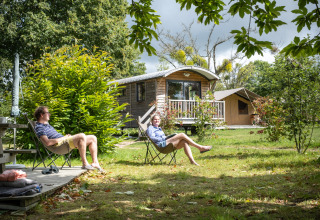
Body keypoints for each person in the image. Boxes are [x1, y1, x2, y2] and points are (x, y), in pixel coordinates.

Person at [34, 106, 103, 171]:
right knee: (81, 136)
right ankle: (84, 163)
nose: (49, 114)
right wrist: (64, 137)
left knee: (93, 138)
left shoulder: (46, 125)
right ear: (41, 115)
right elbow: (48, 142)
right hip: (59, 146)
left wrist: (66, 137)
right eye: (47, 113)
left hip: (64, 142)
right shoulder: (40, 127)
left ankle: (95, 163)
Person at [146, 114, 212, 166]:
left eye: (158, 119)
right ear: (152, 121)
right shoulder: (150, 128)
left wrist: (168, 137)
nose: (157, 121)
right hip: (161, 145)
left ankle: (192, 161)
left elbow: (163, 137)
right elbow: (152, 138)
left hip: (166, 142)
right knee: (182, 135)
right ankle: (200, 147)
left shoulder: (159, 129)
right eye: (155, 119)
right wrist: (163, 138)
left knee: (184, 142)